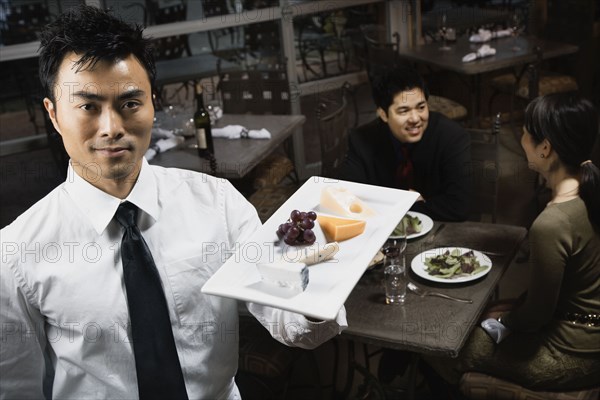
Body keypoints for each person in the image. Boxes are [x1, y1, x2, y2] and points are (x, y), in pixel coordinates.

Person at [0, 6, 346, 399]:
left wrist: (321, 280)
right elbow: (16, 388)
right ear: (54, 114)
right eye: (88, 106)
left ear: (153, 103)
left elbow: (291, 322)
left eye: (130, 103)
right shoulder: (15, 253)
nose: (112, 128)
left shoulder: (218, 205)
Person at [425, 93, 600, 393]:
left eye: (525, 132)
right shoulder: (590, 188)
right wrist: (512, 309)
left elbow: (537, 316)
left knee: (442, 342)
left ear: (545, 148)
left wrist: (507, 318)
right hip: (588, 336)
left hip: (570, 355)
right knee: (486, 313)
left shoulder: (552, 223)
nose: (520, 139)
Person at [340, 67, 472, 221]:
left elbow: (459, 207)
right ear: (383, 114)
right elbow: (348, 199)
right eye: (404, 111)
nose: (415, 118)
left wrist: (386, 205)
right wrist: (405, 202)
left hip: (439, 230)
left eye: (421, 107)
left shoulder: (452, 137)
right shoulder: (361, 140)